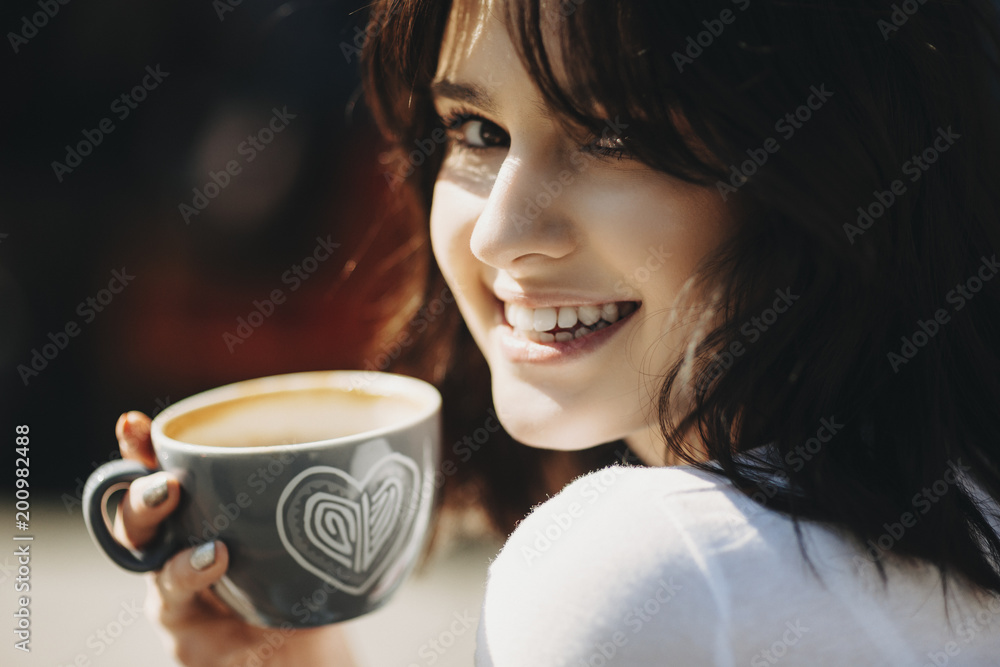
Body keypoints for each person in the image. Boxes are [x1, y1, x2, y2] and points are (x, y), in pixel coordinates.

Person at [108, 0, 1000, 664]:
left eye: (616, 135)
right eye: (476, 129)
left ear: (832, 162)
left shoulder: (642, 570)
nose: (498, 232)